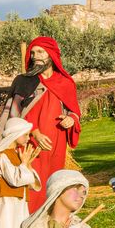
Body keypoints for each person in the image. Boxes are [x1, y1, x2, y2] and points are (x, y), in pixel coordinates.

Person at [9, 38, 80, 211]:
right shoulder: (24, 82)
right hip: (30, 143)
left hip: (57, 143)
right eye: (33, 53)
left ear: (52, 55)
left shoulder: (65, 82)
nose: (35, 56)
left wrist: (71, 118)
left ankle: (50, 218)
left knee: (54, 181)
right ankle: (29, 220)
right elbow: (13, 114)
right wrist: (34, 132)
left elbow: (75, 111)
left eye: (40, 52)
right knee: (32, 182)